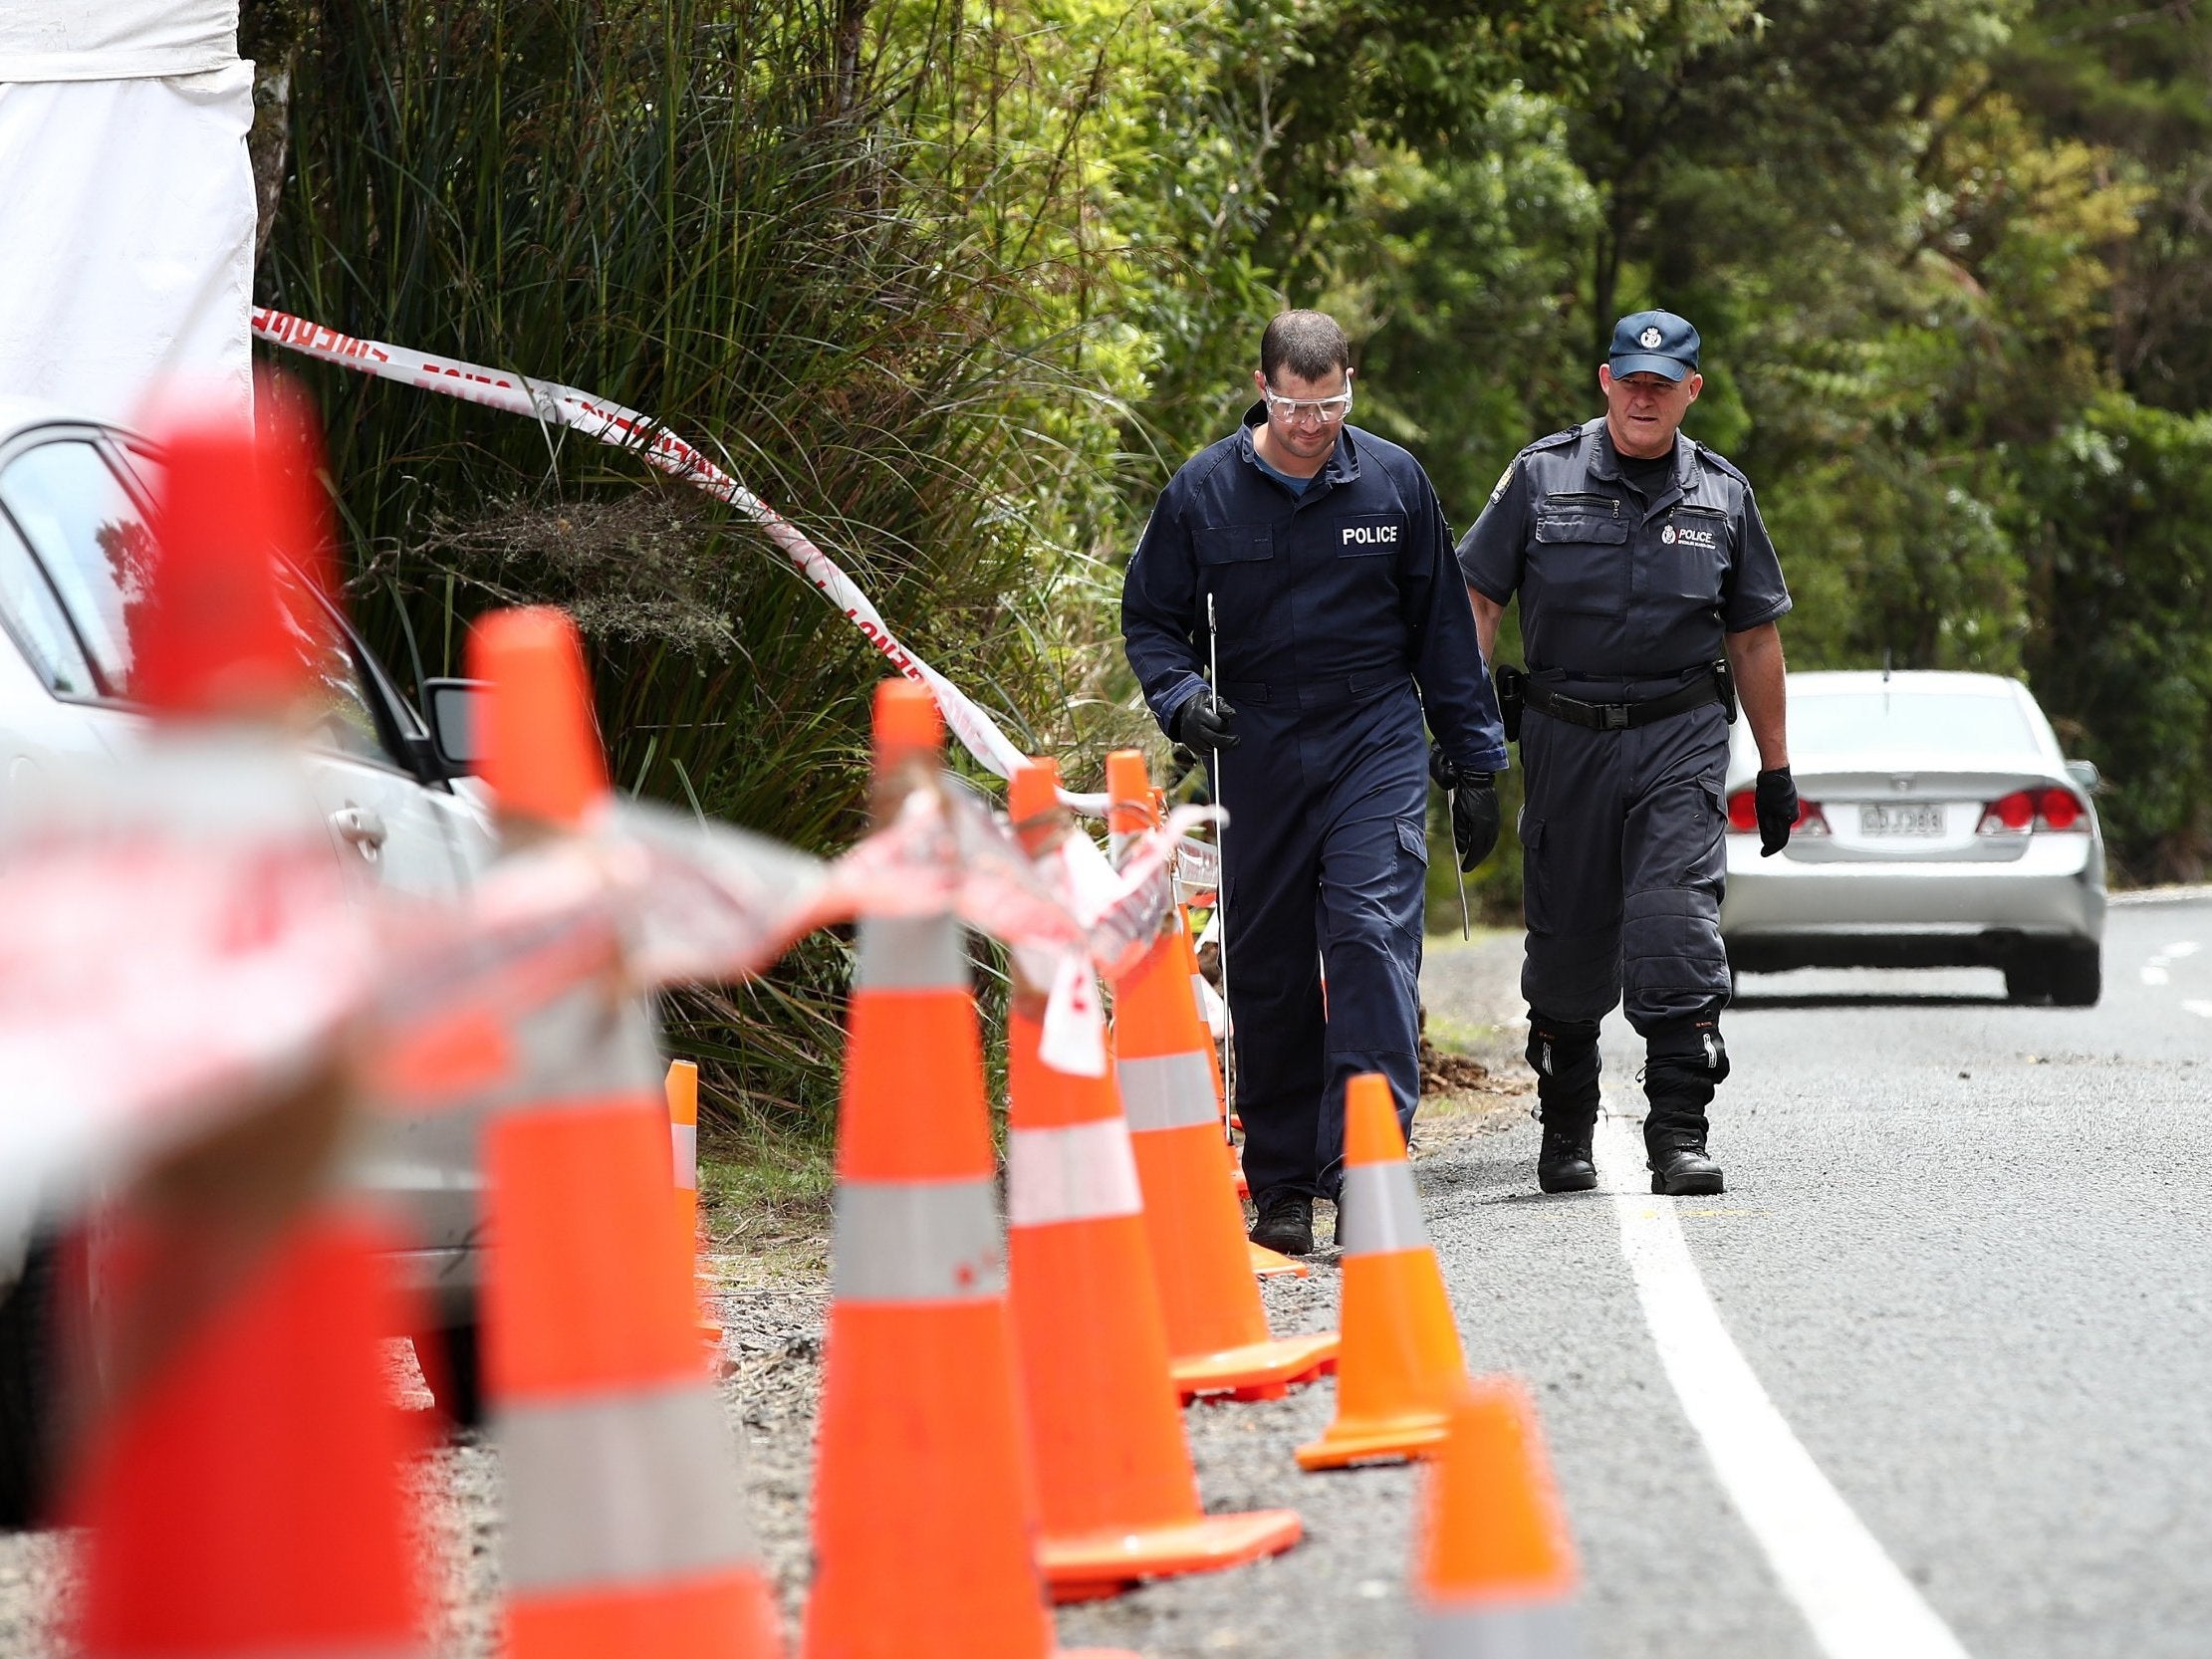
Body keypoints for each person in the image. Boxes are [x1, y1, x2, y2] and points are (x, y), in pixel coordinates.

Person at [1121, 310, 1509, 1256]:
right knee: (1270, 965)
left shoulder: (1393, 482)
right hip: (1250, 740)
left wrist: (1475, 762)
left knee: (1372, 937)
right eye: (1294, 406)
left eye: (1330, 402)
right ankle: (1285, 1183)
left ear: (1351, 386)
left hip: (1370, 730)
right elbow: (1150, 620)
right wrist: (1180, 701)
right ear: (1263, 387)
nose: (1312, 424)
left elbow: (1444, 640)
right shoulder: (1203, 492)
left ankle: (1367, 1167)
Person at [1456, 310, 1796, 1198]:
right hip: (1564, 737)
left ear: (1691, 390)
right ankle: (1565, 1126)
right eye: (1629, 381)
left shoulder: (1722, 495)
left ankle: (1677, 1131)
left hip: (1677, 734)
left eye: (1662, 384)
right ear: (1606, 381)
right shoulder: (1540, 477)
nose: (1644, 398)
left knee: (1674, 921)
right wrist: (1468, 752)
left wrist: (1776, 767)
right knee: (1567, 943)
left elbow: (1753, 639)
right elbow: (1478, 605)